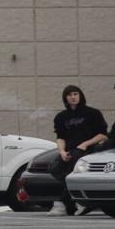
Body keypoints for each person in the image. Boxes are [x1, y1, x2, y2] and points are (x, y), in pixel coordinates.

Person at [48, 85, 107, 216]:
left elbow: (103, 134)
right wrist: (62, 152)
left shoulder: (93, 113)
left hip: (88, 150)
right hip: (69, 150)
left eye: (75, 94)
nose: (73, 97)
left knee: (72, 168)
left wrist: (85, 144)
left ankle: (61, 203)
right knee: (54, 167)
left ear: (80, 96)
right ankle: (78, 198)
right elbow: (60, 137)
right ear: (65, 98)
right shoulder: (61, 117)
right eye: (69, 95)